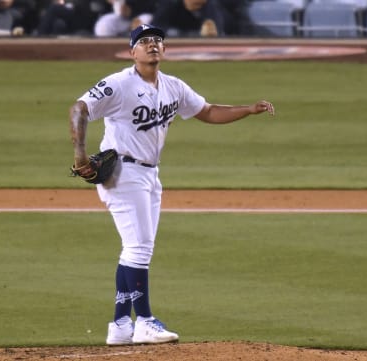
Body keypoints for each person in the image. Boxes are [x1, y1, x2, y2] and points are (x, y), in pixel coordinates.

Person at [69, 24, 274, 345]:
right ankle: (146, 322)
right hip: (122, 172)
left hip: (150, 174)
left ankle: (121, 324)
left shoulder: (173, 87)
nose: (153, 45)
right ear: (131, 51)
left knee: (133, 248)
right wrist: (80, 154)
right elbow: (80, 108)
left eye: (158, 41)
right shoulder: (119, 84)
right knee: (140, 248)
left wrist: (248, 109)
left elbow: (206, 111)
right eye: (145, 41)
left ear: (164, 50)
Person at [151, 0, 225, 37]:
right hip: (172, 39)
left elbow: (218, 31)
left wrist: (212, 30)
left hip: (201, 46)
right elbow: (155, 29)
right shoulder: (170, 3)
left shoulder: (210, 5)